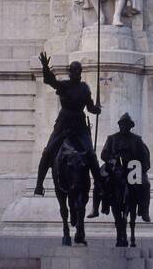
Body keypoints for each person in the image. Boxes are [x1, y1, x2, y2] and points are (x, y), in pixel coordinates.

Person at [33, 51, 104, 195]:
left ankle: (99, 184)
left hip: (79, 124)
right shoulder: (64, 85)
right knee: (47, 152)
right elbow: (50, 81)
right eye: (74, 70)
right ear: (70, 72)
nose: (77, 73)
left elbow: (90, 107)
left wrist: (97, 109)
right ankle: (39, 185)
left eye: (79, 70)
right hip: (63, 124)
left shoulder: (85, 88)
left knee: (90, 153)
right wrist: (46, 68)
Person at [98, 112, 152, 222]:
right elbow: (104, 154)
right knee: (102, 181)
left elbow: (144, 156)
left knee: (145, 184)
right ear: (119, 125)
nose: (123, 126)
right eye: (122, 124)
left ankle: (144, 210)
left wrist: (142, 169)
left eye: (126, 124)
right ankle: (103, 206)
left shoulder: (137, 139)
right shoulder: (112, 138)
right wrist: (112, 160)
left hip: (133, 169)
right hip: (116, 168)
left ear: (130, 126)